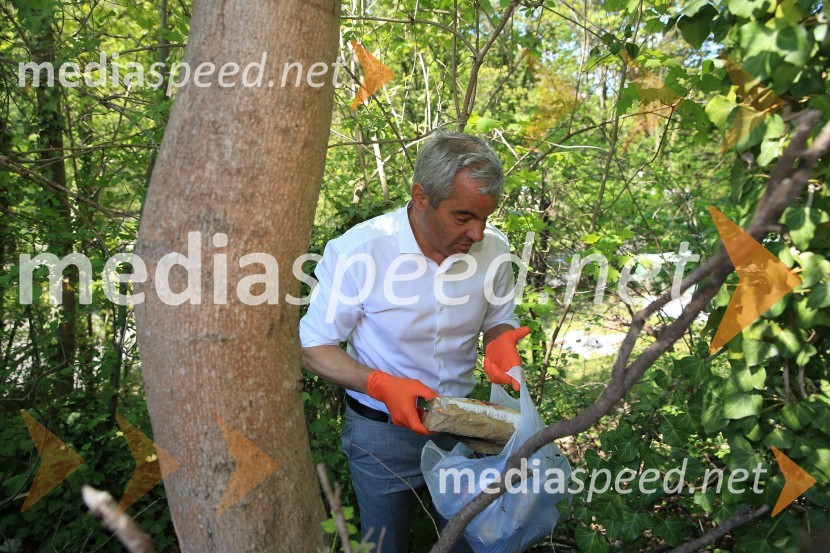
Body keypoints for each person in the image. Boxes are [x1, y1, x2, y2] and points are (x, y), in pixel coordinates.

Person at [299, 131, 529, 552]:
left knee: (469, 539)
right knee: (385, 543)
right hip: (380, 431)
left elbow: (499, 318)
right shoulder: (361, 251)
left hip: (463, 425)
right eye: (463, 217)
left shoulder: (494, 248)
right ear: (421, 197)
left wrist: (500, 339)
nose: (478, 233)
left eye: (485, 217)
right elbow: (313, 347)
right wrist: (379, 384)